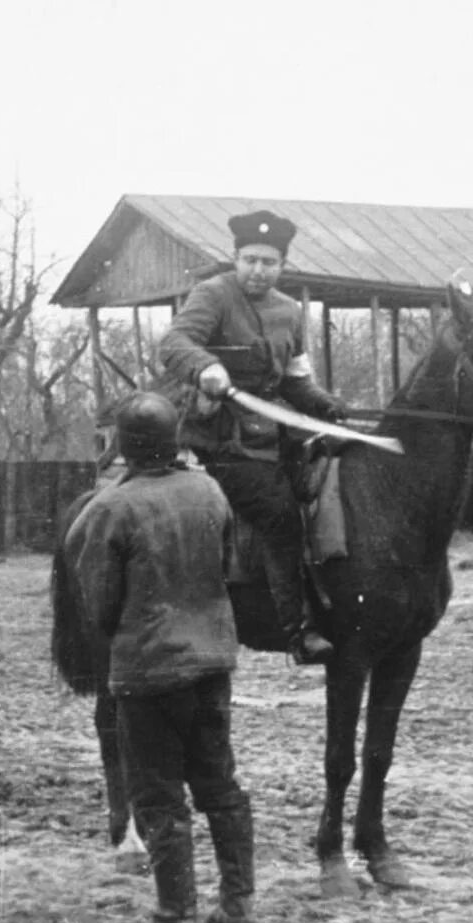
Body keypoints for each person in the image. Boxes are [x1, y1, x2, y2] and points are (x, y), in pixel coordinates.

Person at [66, 391, 256, 923]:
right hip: (213, 665)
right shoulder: (210, 491)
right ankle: (239, 907)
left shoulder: (109, 509)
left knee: (158, 797)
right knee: (221, 787)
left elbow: (99, 607)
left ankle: (174, 915)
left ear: (123, 447)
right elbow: (229, 567)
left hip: (148, 674)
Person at [159, 209, 343, 665]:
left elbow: (295, 380)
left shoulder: (290, 311)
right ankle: (298, 629)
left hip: (273, 437)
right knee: (280, 515)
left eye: (269, 262)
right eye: (250, 260)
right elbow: (174, 343)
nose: (258, 271)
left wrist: (326, 406)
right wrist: (207, 368)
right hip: (220, 440)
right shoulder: (212, 295)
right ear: (235, 258)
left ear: (283, 265)